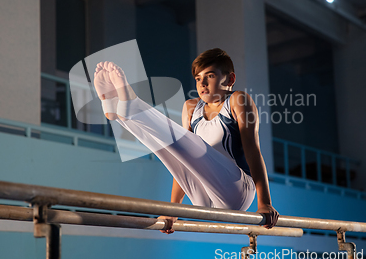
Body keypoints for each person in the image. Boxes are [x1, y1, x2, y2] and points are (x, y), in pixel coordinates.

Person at [93, 48, 279, 234]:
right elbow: (184, 158)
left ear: (230, 79)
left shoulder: (238, 100)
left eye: (210, 76)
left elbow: (253, 151)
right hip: (202, 200)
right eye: (198, 78)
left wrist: (265, 203)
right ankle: (119, 113)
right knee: (170, 147)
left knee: (195, 145)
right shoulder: (191, 108)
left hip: (237, 191)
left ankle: (132, 107)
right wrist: (174, 209)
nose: (203, 83)